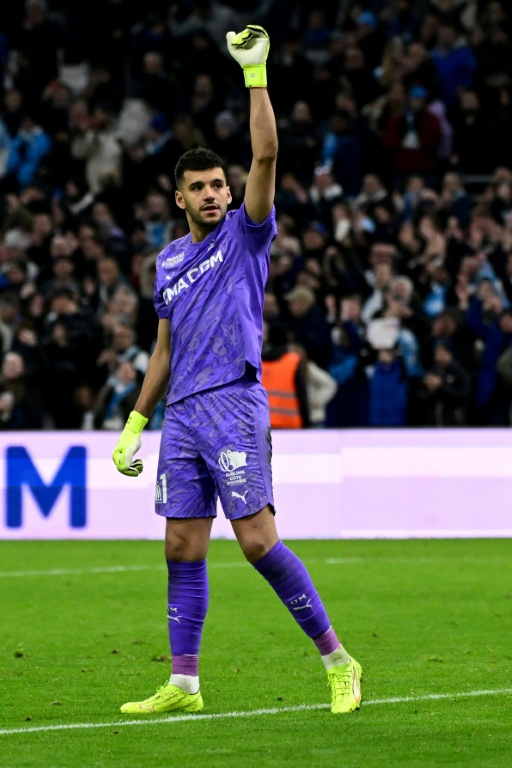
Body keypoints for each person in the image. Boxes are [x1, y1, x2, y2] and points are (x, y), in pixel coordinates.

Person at [112, 25, 362, 717]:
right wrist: (135, 424)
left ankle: (339, 661)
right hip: (182, 414)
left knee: (256, 542)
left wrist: (255, 73)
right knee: (181, 545)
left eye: (221, 183)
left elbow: (268, 151)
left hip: (234, 402)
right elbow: (163, 347)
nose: (217, 193)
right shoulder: (165, 263)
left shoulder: (245, 235)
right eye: (202, 187)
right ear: (180, 199)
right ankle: (185, 685)